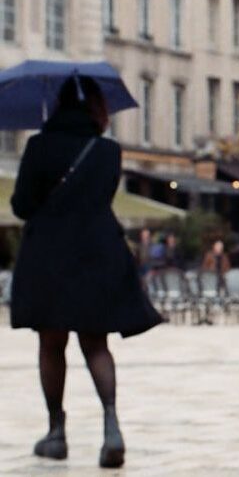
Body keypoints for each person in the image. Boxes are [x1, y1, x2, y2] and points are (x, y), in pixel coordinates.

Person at [10, 76, 162, 468]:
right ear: (97, 107)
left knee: (51, 344)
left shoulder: (39, 146)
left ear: (57, 105)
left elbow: (22, 205)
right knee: (96, 344)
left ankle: (56, 432)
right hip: (97, 254)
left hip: (49, 256)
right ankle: (111, 426)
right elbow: (101, 199)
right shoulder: (108, 151)